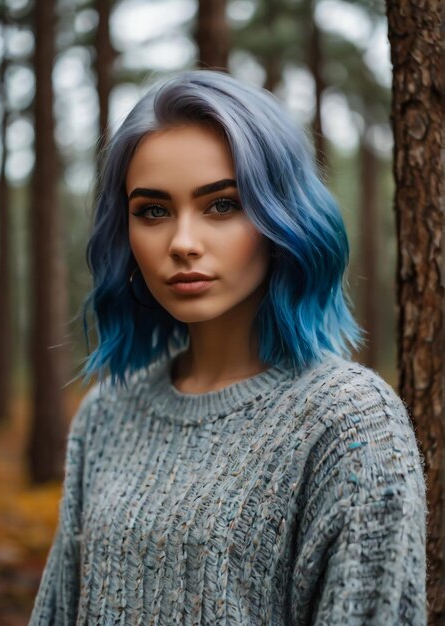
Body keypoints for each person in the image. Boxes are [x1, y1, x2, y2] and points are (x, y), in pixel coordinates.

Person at [28, 70, 427, 626]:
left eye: (221, 205)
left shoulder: (349, 421)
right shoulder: (108, 414)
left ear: (282, 218)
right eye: (153, 211)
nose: (183, 243)